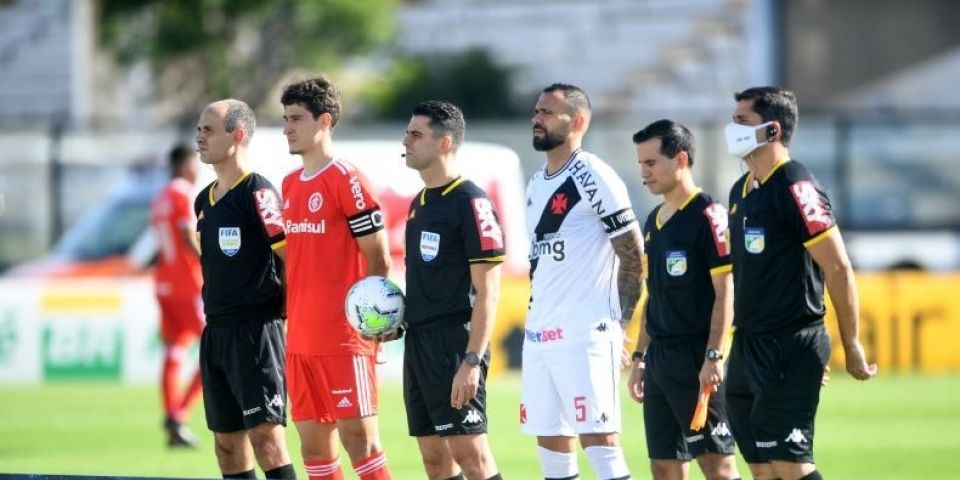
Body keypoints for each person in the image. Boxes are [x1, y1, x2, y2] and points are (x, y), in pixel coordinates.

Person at [722, 86, 878, 480]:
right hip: (747, 345)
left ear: (772, 131)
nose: (731, 128)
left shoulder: (796, 186)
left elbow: (839, 268)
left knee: (790, 465)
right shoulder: (740, 191)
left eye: (742, 121)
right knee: (762, 469)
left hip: (789, 343)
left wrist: (850, 344)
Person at [522, 83, 642, 480]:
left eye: (547, 113)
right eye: (537, 111)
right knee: (552, 450)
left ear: (578, 121)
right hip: (540, 334)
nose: (537, 119)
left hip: (584, 333)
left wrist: (618, 325)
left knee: (600, 445)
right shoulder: (537, 182)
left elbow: (633, 255)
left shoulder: (593, 175)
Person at [279, 76, 394, 480]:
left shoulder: (348, 179)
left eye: (296, 119)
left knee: (361, 445)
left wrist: (374, 323)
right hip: (300, 342)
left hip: (343, 340)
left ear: (324, 121)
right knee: (314, 451)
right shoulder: (289, 184)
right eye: (285, 118)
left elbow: (379, 260)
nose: (287, 128)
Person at [395, 100, 504, 480]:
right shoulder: (418, 205)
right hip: (419, 343)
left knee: (471, 455)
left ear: (444, 143)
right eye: (407, 132)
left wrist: (471, 361)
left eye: (416, 134)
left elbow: (489, 292)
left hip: (456, 344)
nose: (405, 140)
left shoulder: (471, 202)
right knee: (434, 459)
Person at [626, 119, 741, 480]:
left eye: (651, 163)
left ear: (680, 159)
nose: (644, 172)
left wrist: (713, 356)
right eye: (640, 164)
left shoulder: (708, 215)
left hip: (695, 357)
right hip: (660, 359)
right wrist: (641, 357)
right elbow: (653, 294)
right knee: (664, 465)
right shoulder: (653, 221)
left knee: (716, 463)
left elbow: (726, 292)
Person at [194, 99, 296, 479]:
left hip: (256, 331)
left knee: (266, 440)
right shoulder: (203, 200)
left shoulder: (259, 192)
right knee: (226, 445)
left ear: (237, 136)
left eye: (208, 130)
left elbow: (291, 259)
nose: (199, 136)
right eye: (199, 128)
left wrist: (283, 315)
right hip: (216, 332)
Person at [149, 141, 205, 448]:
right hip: (187, 284)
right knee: (215, 348)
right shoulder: (182, 192)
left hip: (163, 284)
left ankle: (173, 416)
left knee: (173, 353)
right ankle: (179, 413)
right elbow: (186, 234)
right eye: (196, 162)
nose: (199, 168)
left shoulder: (158, 198)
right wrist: (209, 265)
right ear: (185, 164)